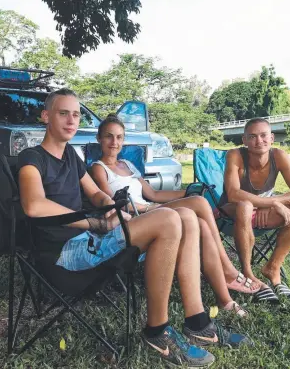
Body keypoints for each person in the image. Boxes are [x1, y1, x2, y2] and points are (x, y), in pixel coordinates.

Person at [17, 89, 250, 368]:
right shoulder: (31, 158)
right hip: (65, 254)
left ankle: (197, 322)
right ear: (46, 116)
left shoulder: (70, 156)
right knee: (168, 218)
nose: (71, 120)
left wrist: (112, 208)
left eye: (76, 114)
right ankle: (157, 331)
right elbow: (33, 205)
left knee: (188, 217)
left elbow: (96, 195)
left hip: (91, 239)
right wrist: (93, 221)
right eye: (63, 113)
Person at [91, 115, 260, 317]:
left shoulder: (127, 164)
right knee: (199, 203)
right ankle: (229, 270)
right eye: (109, 137)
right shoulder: (97, 169)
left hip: (151, 209)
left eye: (119, 137)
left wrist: (188, 192)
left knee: (201, 220)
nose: (114, 142)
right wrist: (152, 208)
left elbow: (153, 194)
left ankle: (225, 300)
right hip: (136, 218)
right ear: (99, 138)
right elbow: (114, 203)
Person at [218, 117, 290, 301]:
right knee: (245, 206)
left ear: (272, 138)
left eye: (263, 135)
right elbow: (233, 194)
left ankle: (273, 267)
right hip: (232, 211)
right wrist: (272, 203)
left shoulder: (278, 156)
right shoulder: (235, 155)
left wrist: (272, 202)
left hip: (262, 212)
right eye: (252, 136)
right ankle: (247, 273)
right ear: (244, 140)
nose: (258, 141)